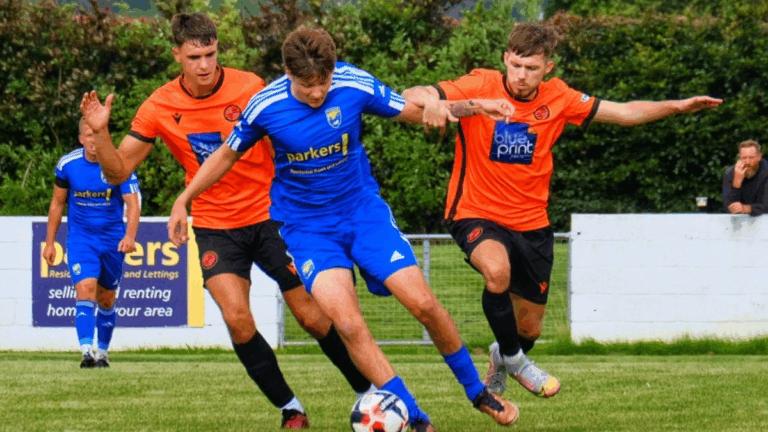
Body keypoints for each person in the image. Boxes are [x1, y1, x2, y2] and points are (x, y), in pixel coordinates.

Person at [166, 27, 519, 432]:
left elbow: (412, 108)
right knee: (348, 325)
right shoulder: (265, 106)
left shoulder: (354, 83)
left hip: (362, 214)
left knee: (423, 304)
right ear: (287, 72)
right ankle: (415, 417)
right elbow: (226, 154)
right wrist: (183, 199)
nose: (317, 93)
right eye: (307, 85)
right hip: (308, 230)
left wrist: (469, 107)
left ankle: (477, 391)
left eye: (323, 82)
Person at [78, 12, 376, 430]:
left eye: (211, 53)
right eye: (195, 56)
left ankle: (369, 393)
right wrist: (102, 135)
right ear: (177, 54)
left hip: (272, 215)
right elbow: (116, 172)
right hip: (217, 225)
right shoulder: (159, 105)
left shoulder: (250, 86)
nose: (205, 65)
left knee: (311, 316)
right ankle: (291, 409)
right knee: (237, 318)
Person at [402, 22, 722, 399]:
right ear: (506, 59)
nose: (521, 76)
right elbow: (411, 94)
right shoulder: (479, 84)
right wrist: (436, 102)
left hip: (532, 223)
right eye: (516, 65)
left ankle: (505, 352)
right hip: (475, 211)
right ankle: (514, 360)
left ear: (548, 68)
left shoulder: (560, 97)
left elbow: (625, 113)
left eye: (531, 68)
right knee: (497, 270)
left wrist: (677, 106)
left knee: (530, 330)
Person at [43, 118, 141, 369]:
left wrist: (129, 236)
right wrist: (50, 242)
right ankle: (86, 351)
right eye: (89, 136)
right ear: (81, 139)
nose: (94, 142)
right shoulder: (68, 164)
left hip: (112, 241)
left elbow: (132, 204)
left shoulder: (119, 165)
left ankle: (103, 352)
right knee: (85, 288)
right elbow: (57, 203)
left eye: (98, 136)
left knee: (106, 298)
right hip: (81, 239)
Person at [722, 140, 768, 215]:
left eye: (751, 157)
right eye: (744, 158)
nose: (747, 162)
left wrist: (745, 208)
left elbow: (766, 205)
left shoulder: (766, 172)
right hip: (739, 222)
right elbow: (728, 206)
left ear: (759, 157)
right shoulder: (731, 173)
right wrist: (737, 182)